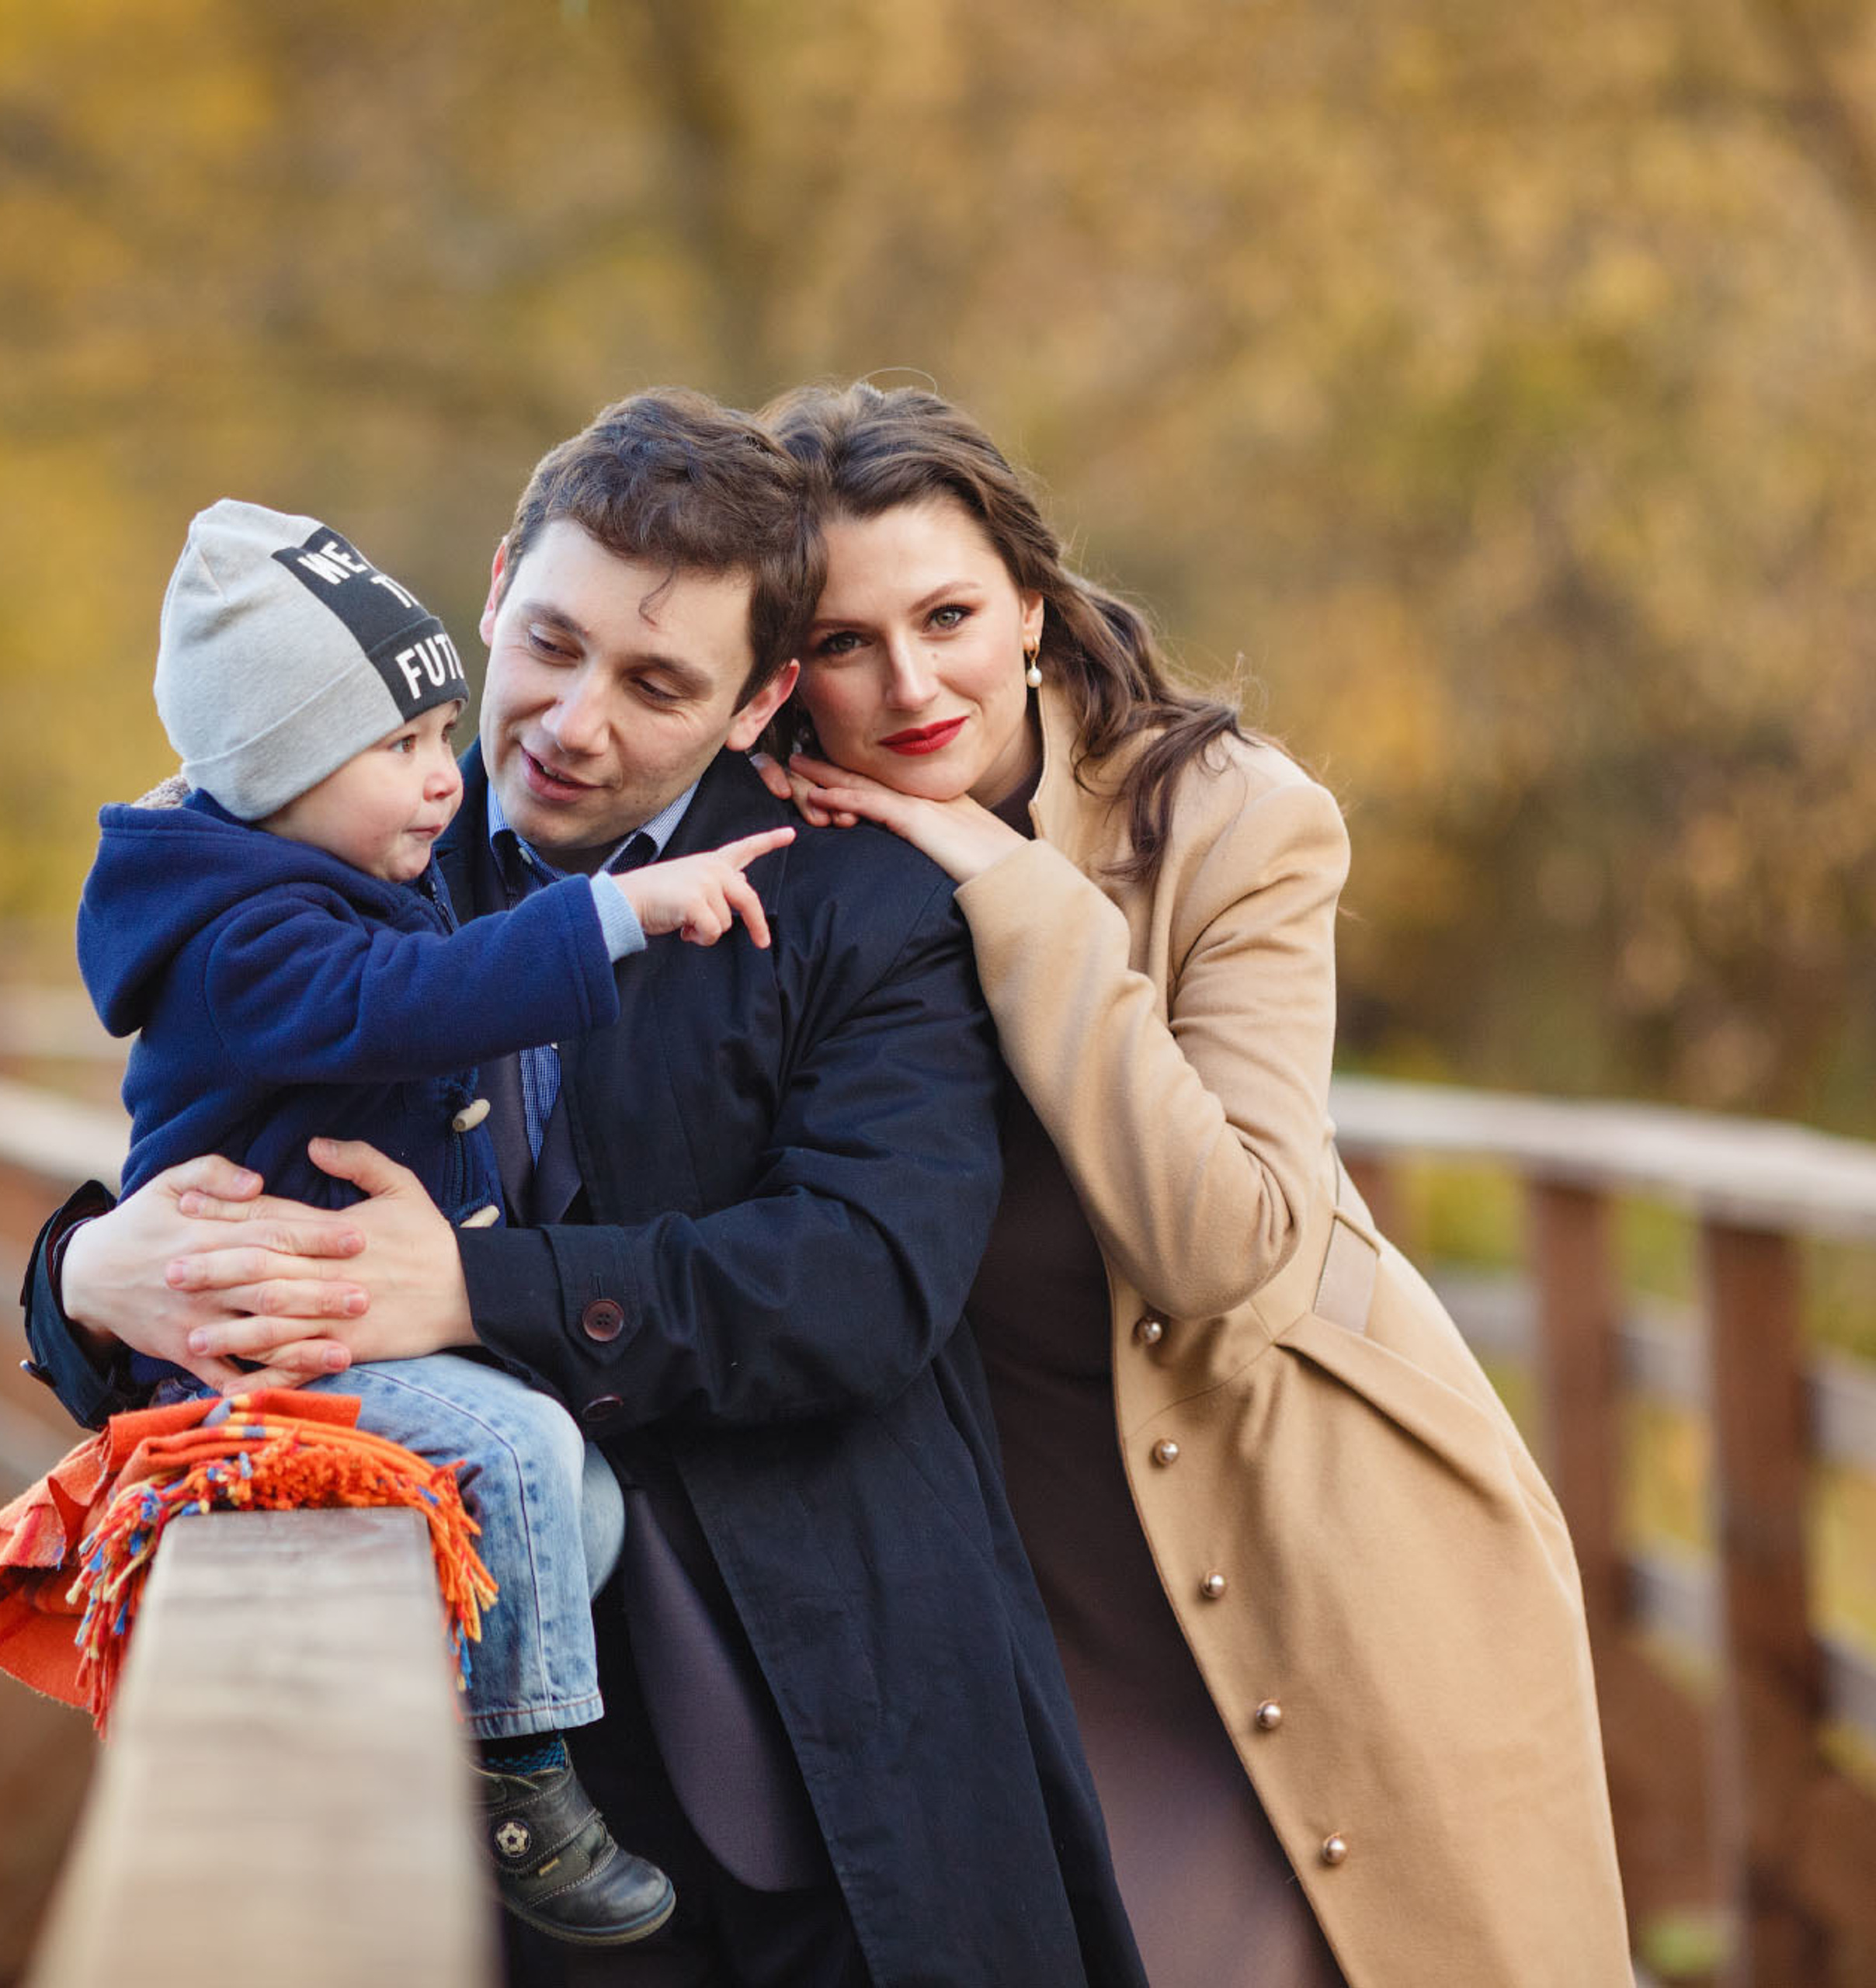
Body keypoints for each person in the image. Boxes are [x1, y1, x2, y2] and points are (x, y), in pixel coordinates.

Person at [19, 394, 1145, 1988]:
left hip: (834, 1696)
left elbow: (865, 1278)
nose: (568, 720)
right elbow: (203, 1132)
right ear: (490, 589)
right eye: (546, 643)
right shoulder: (339, 835)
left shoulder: (860, 906)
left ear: (759, 701)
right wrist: (82, 1278)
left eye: (655, 681)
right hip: (476, 1739)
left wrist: (472, 1291)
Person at [745, 381, 1639, 1988]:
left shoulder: (1232, 822)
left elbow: (1226, 1245)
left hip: (1329, 1540)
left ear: (1028, 601)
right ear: (780, 669)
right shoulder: (760, 858)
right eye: (839, 642)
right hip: (1031, 1586)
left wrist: (1008, 883)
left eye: (947, 614)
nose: (909, 682)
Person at [62, 496, 802, 1948]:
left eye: (432, 735)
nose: (442, 781)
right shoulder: (258, 934)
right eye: (395, 752)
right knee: (524, 1449)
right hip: (267, 1348)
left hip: (350, 1332)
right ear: (279, 780)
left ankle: (448, 1687)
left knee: (565, 1503)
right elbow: (413, 1005)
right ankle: (525, 1784)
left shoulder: (325, 869)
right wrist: (625, 914)